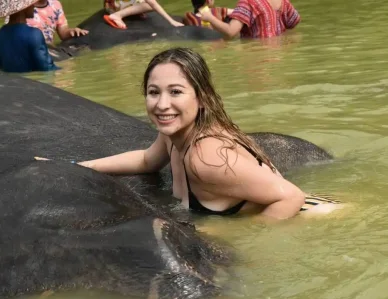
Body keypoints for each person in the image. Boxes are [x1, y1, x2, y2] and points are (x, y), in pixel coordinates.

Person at [78, 48, 339, 220]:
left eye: (176, 92)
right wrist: (81, 167)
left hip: (318, 218)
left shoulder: (205, 156)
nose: (162, 104)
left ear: (202, 99)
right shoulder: (174, 133)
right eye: (154, 92)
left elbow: (292, 197)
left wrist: (244, 237)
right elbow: (147, 161)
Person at [0, 0, 60, 73]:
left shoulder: (0, 33)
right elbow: (47, 68)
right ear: (23, 8)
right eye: (30, 3)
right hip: (30, 82)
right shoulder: (34, 34)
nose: (33, 5)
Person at [198, 0, 300, 39]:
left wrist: (209, 17)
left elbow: (230, 31)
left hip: (259, 54)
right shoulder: (283, 1)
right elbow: (294, 21)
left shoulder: (248, 2)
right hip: (279, 54)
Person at [5, 0, 88, 46]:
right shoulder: (20, 6)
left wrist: (71, 32)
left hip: (49, 51)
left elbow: (63, 32)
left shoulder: (55, 4)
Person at [103, 0, 184, 30]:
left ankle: (130, 11)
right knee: (149, 5)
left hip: (109, 5)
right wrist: (172, 21)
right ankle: (118, 15)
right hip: (116, 7)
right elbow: (153, 3)